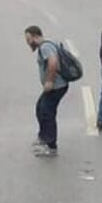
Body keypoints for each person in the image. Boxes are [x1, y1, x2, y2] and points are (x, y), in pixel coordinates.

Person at [25, 25, 69, 157]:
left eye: (28, 39)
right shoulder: (47, 45)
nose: (28, 43)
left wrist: (49, 81)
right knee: (40, 108)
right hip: (56, 86)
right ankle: (43, 137)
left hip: (57, 86)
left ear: (35, 36)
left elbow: (53, 62)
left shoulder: (45, 47)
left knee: (47, 113)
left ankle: (51, 146)